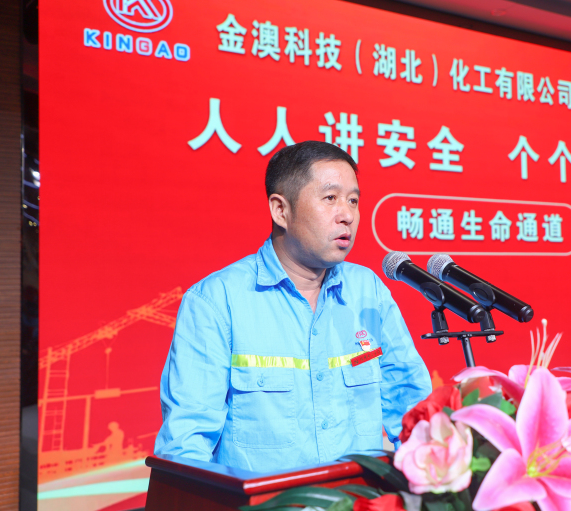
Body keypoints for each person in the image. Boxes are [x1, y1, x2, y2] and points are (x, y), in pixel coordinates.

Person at [155, 141, 431, 472]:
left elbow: (413, 409)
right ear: (280, 210)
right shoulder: (216, 301)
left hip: (360, 497)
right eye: (330, 198)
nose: (347, 215)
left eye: (353, 201)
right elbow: (186, 448)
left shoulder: (368, 291)